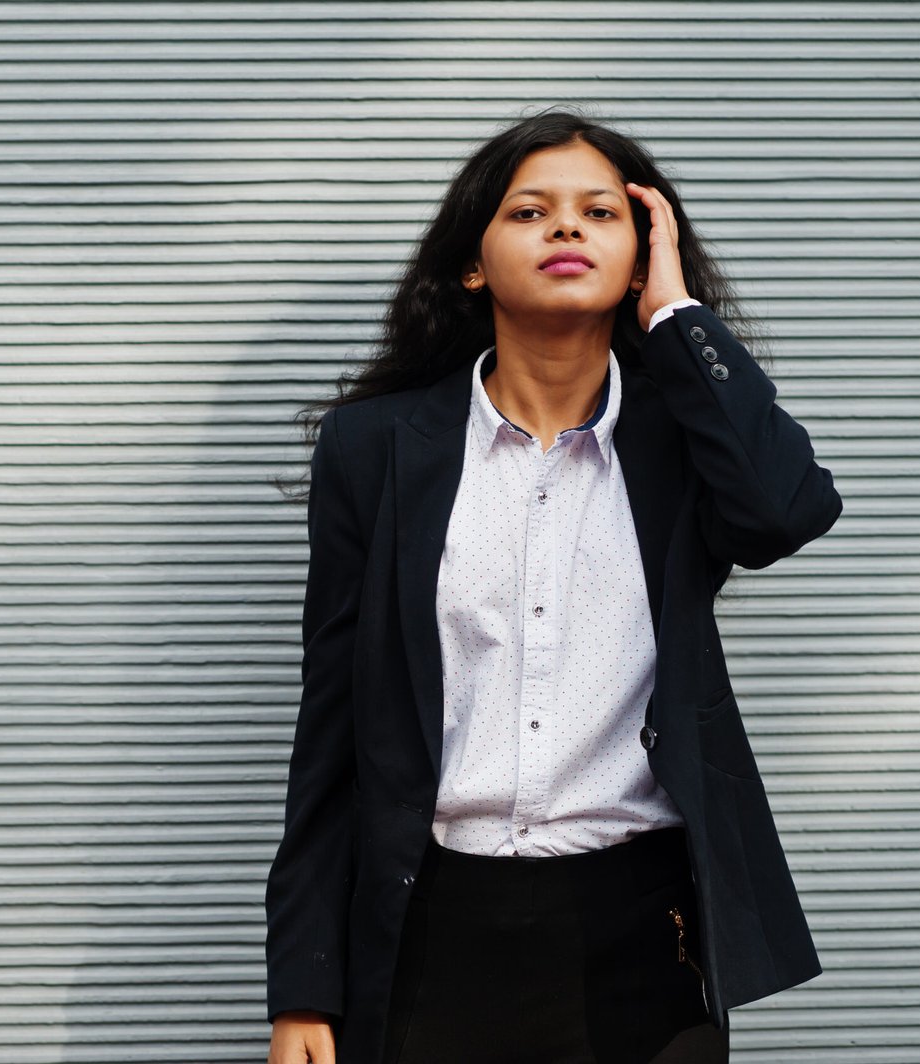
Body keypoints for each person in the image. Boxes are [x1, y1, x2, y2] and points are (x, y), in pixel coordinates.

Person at [264, 107, 844, 1064]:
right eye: (530, 211)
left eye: (602, 213)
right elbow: (331, 729)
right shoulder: (377, 450)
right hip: (431, 928)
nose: (567, 226)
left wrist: (676, 314)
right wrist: (304, 988)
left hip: (641, 932)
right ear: (472, 264)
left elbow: (787, 510)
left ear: (641, 255)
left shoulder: (684, 442)